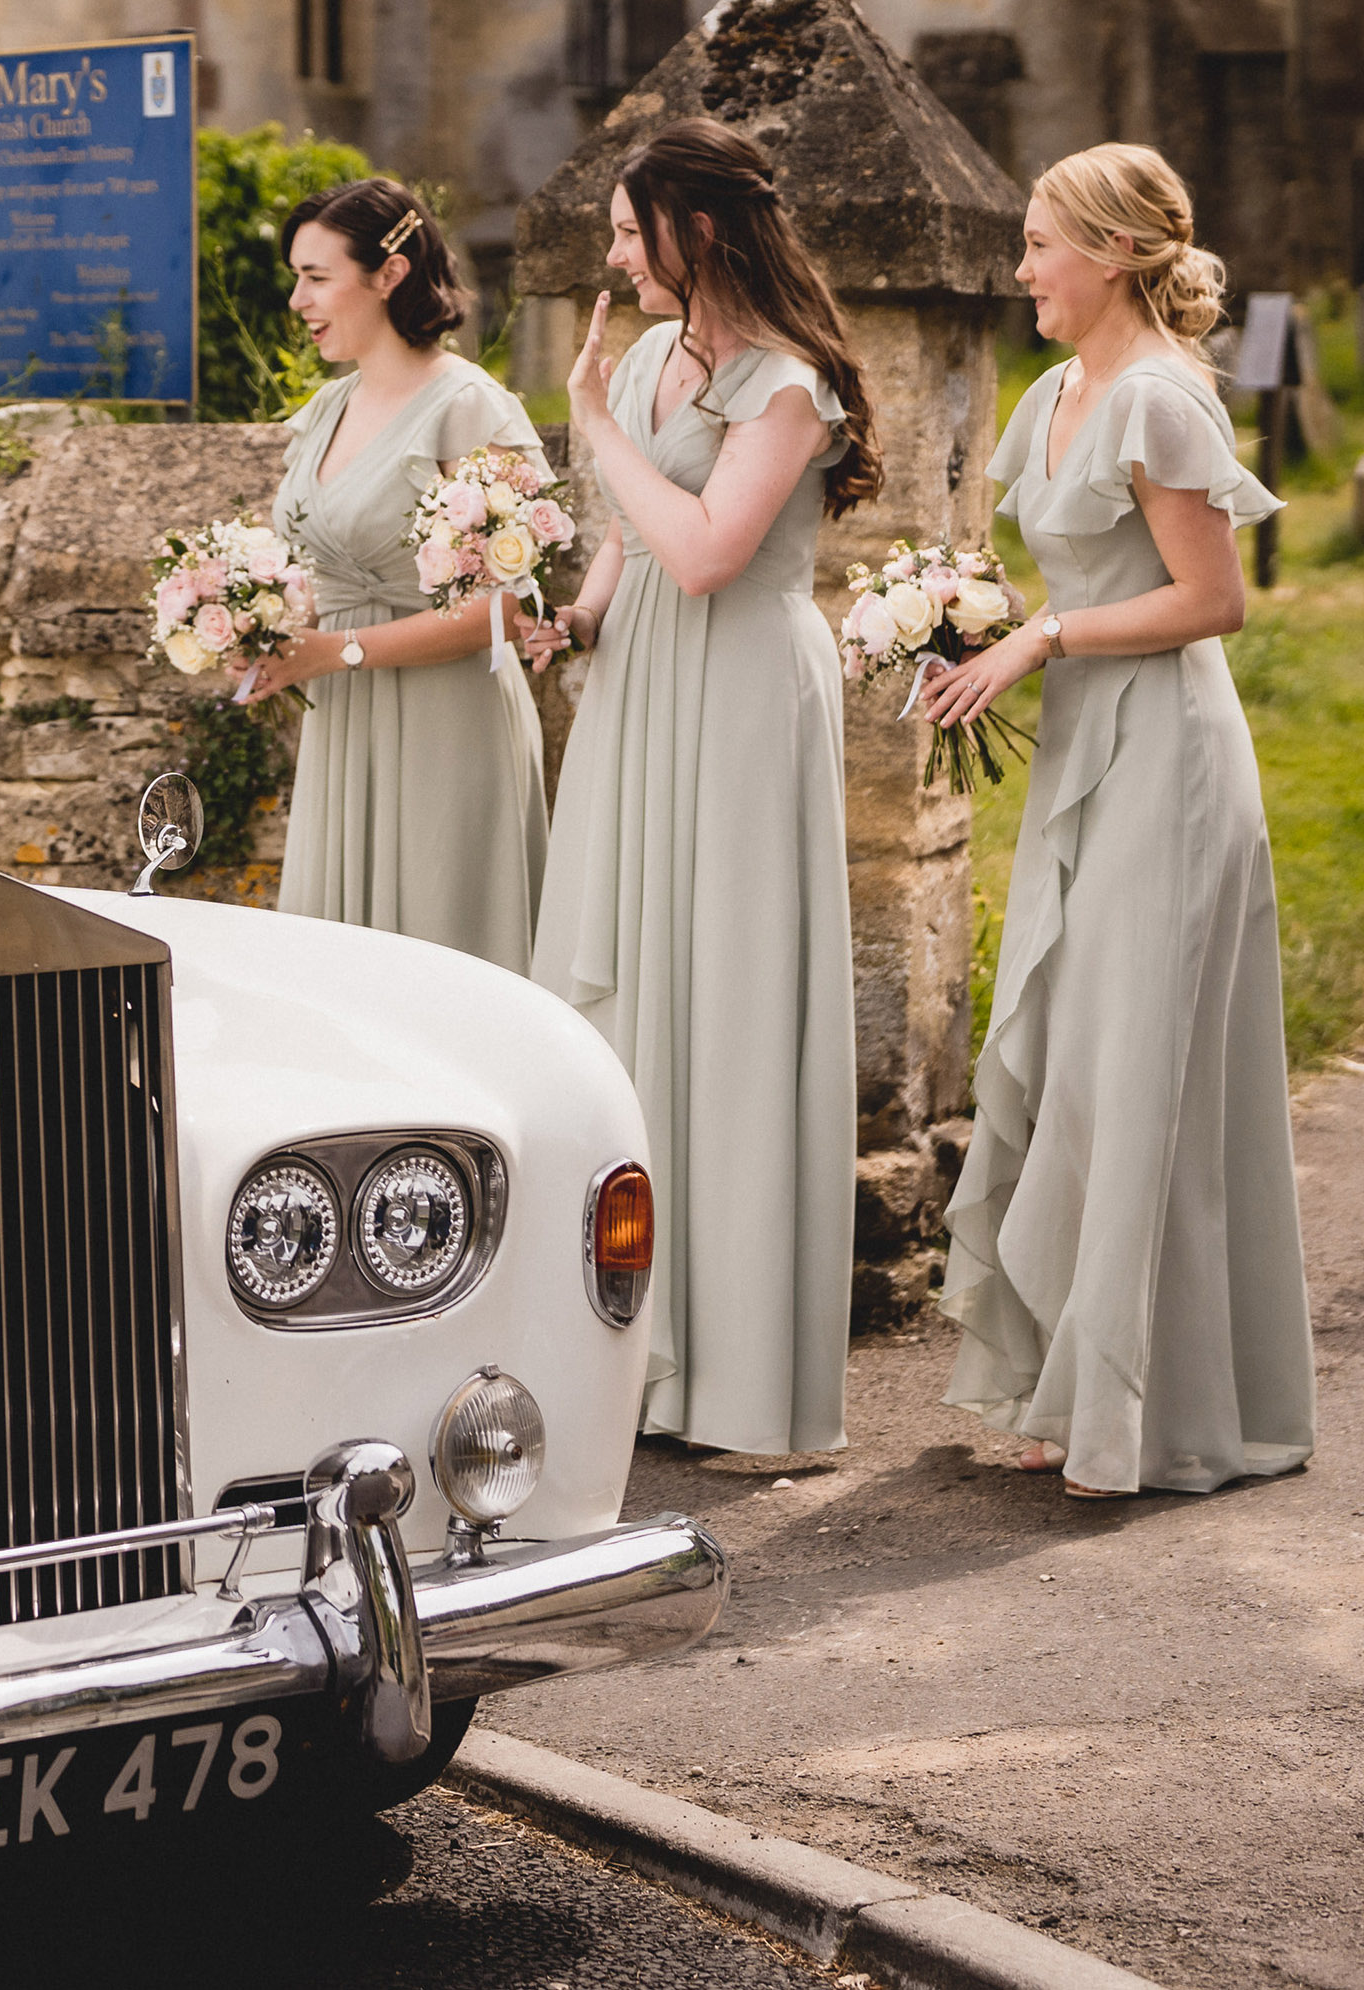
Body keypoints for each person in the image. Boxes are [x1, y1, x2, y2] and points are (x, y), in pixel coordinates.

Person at [916, 145, 1312, 1499]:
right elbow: (1040, 579)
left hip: (1173, 762)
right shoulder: (1054, 397)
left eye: (1038, 244)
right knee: (1074, 1064)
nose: (1020, 268)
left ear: (1110, 251)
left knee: (1135, 1069)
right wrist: (952, 626)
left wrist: (1042, 636)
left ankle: (1139, 1410)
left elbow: (1215, 600)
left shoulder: (1159, 401)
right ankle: (1061, 1378)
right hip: (1090, 750)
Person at [518, 118, 877, 1456]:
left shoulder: (787, 385)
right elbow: (635, 534)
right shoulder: (663, 354)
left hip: (738, 694)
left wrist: (594, 425)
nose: (613, 252)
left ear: (699, 227)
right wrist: (579, 616)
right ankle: (629, 1355)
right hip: (645, 682)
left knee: (722, 990)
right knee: (629, 985)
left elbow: (715, 549)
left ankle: (731, 1369)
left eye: (629, 229)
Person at [237, 179, 553, 973]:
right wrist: (257, 622)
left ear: (390, 274)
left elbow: (505, 611)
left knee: (443, 958)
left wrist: (334, 653)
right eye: (296, 276)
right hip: (344, 723)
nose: (297, 299)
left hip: (447, 724)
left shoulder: (471, 409)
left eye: (316, 277)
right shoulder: (327, 408)